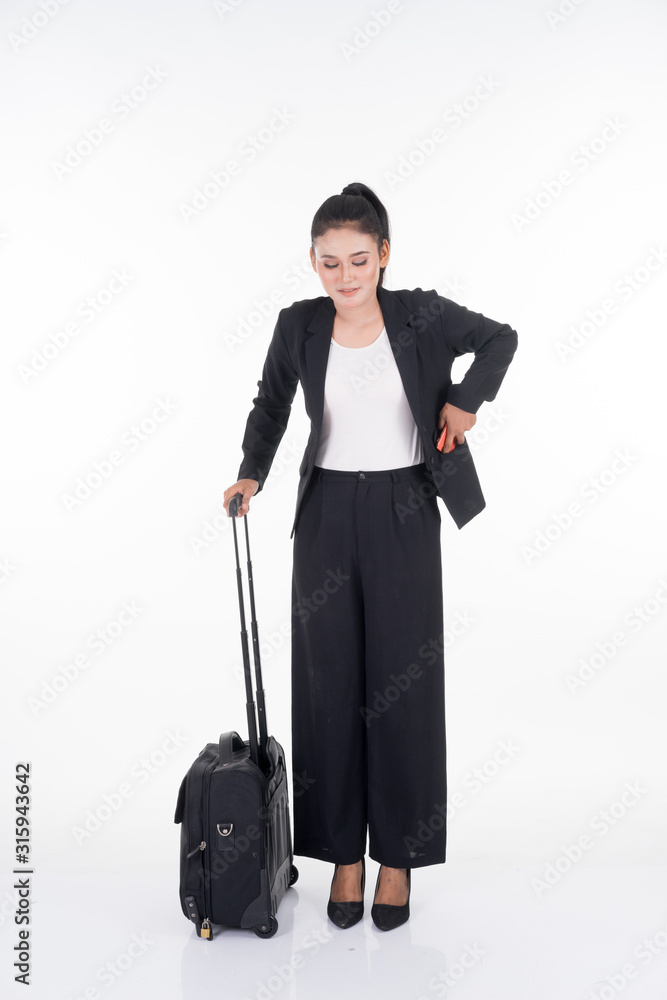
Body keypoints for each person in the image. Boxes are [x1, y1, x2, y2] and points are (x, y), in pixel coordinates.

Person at [223, 182, 518, 931]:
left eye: (358, 259)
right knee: (327, 687)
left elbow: (499, 338)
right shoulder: (299, 325)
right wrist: (252, 471)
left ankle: (397, 862)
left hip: (403, 509)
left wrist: (466, 401)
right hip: (325, 511)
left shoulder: (419, 312)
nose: (345, 275)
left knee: (404, 684)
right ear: (314, 264)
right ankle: (341, 858)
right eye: (329, 262)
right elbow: (271, 402)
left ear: (383, 256)